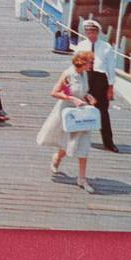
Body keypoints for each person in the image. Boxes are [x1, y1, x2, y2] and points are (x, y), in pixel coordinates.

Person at [36, 51, 99, 193]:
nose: (92, 65)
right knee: (67, 143)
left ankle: (82, 178)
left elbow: (81, 91)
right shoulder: (68, 74)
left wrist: (88, 96)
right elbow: (55, 92)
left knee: (84, 144)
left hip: (81, 113)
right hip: (68, 112)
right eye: (90, 62)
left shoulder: (84, 74)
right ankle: (57, 157)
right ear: (82, 62)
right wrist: (72, 99)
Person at [73, 19, 118, 152]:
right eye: (88, 32)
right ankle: (77, 140)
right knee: (80, 109)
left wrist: (111, 87)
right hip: (85, 77)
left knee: (103, 111)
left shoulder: (106, 47)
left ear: (98, 33)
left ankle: (108, 142)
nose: (91, 35)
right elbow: (76, 64)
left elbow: (111, 68)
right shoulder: (81, 46)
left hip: (100, 79)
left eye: (93, 32)